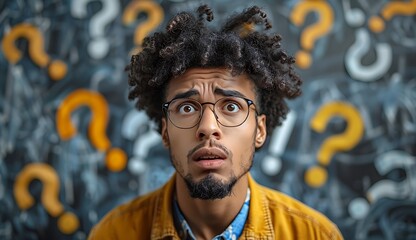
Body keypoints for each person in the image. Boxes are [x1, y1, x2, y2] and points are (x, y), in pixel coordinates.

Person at [89, 4, 343, 240]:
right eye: (186, 107)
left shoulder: (314, 234)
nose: (208, 127)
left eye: (231, 106)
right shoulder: (113, 233)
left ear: (260, 130)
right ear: (165, 131)